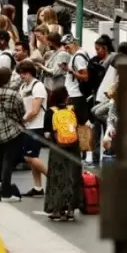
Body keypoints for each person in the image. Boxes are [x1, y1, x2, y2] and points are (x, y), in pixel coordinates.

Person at [43, 86, 82, 221]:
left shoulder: (50, 112)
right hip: (74, 147)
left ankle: (57, 211)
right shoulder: (72, 109)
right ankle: (71, 210)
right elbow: (80, 124)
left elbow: (47, 133)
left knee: (58, 178)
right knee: (73, 176)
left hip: (58, 149)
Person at [0, 66, 25, 202]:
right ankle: (6, 192)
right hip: (11, 132)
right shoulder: (13, 94)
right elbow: (21, 111)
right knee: (8, 162)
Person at [18, 60, 48, 197]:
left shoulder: (38, 86)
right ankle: (37, 188)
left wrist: (23, 120)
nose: (21, 76)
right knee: (31, 157)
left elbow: (35, 110)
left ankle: (53, 178)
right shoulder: (24, 86)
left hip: (36, 126)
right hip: (27, 126)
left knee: (30, 157)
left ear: (30, 73)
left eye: (23, 73)